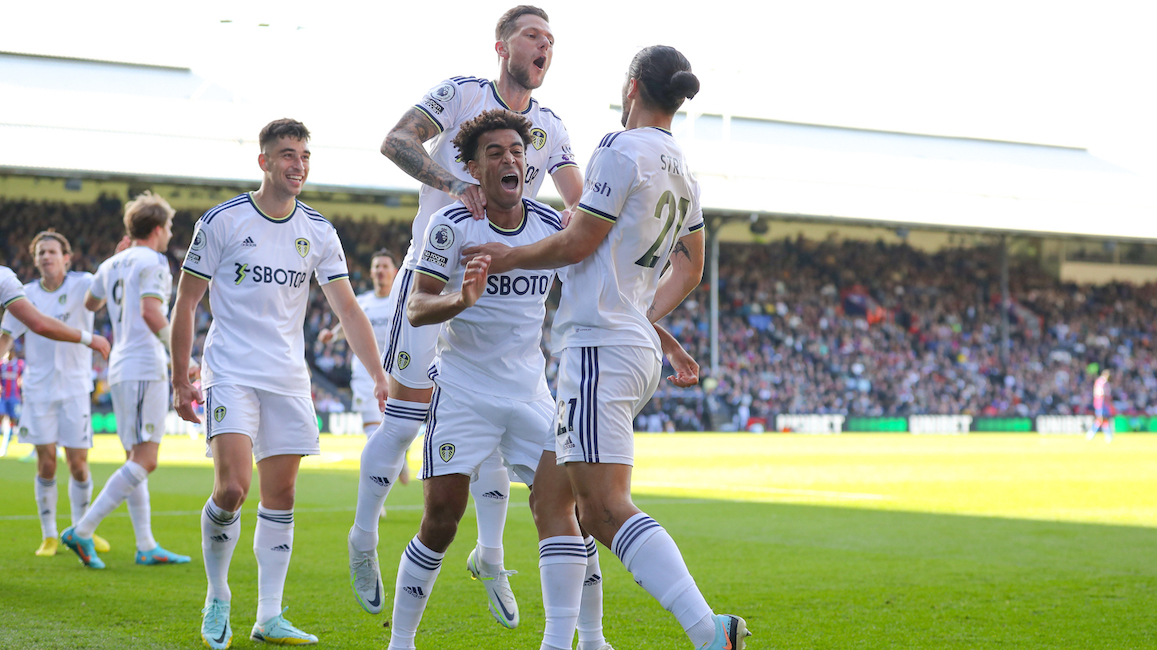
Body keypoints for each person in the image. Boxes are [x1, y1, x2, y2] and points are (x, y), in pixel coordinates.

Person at [464, 46, 750, 650]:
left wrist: (510, 256)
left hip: (597, 348)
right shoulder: (682, 168)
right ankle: (571, 641)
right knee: (555, 498)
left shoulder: (620, 149)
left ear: (632, 87)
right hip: (625, 347)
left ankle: (710, 631)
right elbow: (691, 268)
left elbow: (579, 241)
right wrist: (642, 317)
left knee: (602, 509)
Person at [350, 4, 584, 630]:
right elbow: (396, 140)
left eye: (551, 38)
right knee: (405, 419)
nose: (545, 45)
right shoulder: (460, 94)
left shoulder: (550, 128)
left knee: (499, 418)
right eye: (533, 35)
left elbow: (583, 203)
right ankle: (364, 538)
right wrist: (454, 184)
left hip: (505, 276)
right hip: (433, 274)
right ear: (503, 45)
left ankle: (491, 556)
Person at [171, 118, 388, 649]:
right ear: (264, 161)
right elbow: (187, 301)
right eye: (288, 154)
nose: (299, 164)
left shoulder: (319, 231)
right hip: (230, 371)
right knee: (231, 489)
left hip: (288, 377)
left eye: (305, 155)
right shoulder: (222, 221)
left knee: (282, 495)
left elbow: (348, 309)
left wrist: (379, 374)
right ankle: (217, 594)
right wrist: (180, 377)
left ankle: (268, 615)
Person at [384, 108, 573, 649]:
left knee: (568, 512)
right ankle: (400, 642)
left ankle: (586, 638)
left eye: (517, 151)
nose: (511, 159)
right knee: (441, 520)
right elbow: (417, 306)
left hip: (530, 394)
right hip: (463, 392)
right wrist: (461, 300)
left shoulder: (551, 226)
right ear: (472, 168)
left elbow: (591, 289)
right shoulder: (451, 226)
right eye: (495, 152)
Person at [59, 194, 190, 570]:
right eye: (168, 227)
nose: (169, 234)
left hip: (119, 367)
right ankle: (83, 530)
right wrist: (184, 357)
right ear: (157, 229)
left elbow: (90, 303)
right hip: (144, 365)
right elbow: (151, 312)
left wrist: (116, 264)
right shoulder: (154, 261)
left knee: (134, 459)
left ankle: (146, 544)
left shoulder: (111, 263)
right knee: (146, 460)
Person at [0, 231, 109, 557]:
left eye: (52, 251)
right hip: (38, 390)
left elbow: (101, 295)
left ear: (67, 257)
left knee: (79, 465)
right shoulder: (24, 294)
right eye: (41, 252)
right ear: (35, 260)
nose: (46, 256)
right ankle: (48, 534)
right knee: (46, 463)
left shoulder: (83, 283)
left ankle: (81, 530)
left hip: (75, 388)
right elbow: (6, 338)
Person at [317, 250, 411, 503]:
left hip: (397, 373)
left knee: (398, 431)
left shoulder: (402, 299)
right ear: (371, 272)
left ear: (395, 272)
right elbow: (348, 324)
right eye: (376, 266)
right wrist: (331, 336)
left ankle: (400, 455)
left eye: (385, 266)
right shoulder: (363, 302)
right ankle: (375, 499)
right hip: (365, 374)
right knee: (372, 432)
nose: (380, 271)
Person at [0, 349, 23, 456]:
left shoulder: (19, 365)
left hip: (14, 397)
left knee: (12, 421)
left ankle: (5, 447)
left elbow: (24, 378)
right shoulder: (1, 365)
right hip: (2, 397)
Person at [1087, 369, 1114, 442]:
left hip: (1102, 404)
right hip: (1101, 404)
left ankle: (1107, 435)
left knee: (1103, 419)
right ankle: (1091, 433)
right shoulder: (1102, 382)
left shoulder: (1101, 382)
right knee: (1100, 419)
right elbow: (1100, 394)